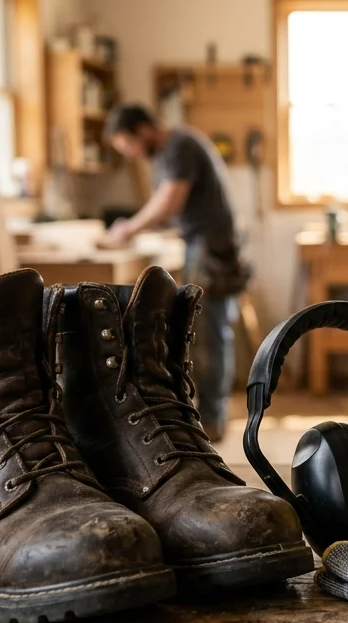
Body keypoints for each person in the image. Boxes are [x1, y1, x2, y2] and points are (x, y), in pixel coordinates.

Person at [102, 104, 249, 441]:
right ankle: (209, 416)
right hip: (202, 244)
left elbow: (169, 202)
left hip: (211, 249)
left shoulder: (180, 145)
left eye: (129, 145)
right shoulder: (172, 150)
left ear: (143, 130)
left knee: (208, 336)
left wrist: (127, 229)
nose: (132, 154)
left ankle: (211, 422)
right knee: (204, 333)